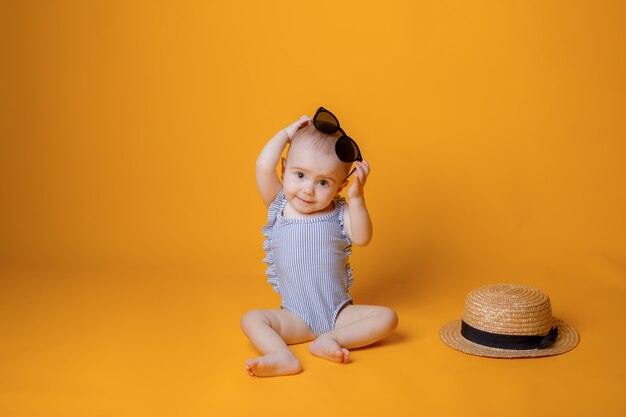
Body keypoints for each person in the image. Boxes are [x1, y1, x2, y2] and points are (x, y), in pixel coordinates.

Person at [240, 108, 398, 377]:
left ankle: (332, 340)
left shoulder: (339, 213)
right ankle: (281, 355)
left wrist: (358, 198)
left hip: (339, 315)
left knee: (388, 318)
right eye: (299, 175)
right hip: (296, 316)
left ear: (339, 187)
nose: (308, 189)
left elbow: (362, 237)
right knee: (252, 319)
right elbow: (262, 165)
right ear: (284, 168)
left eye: (323, 182)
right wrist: (287, 133)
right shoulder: (278, 205)